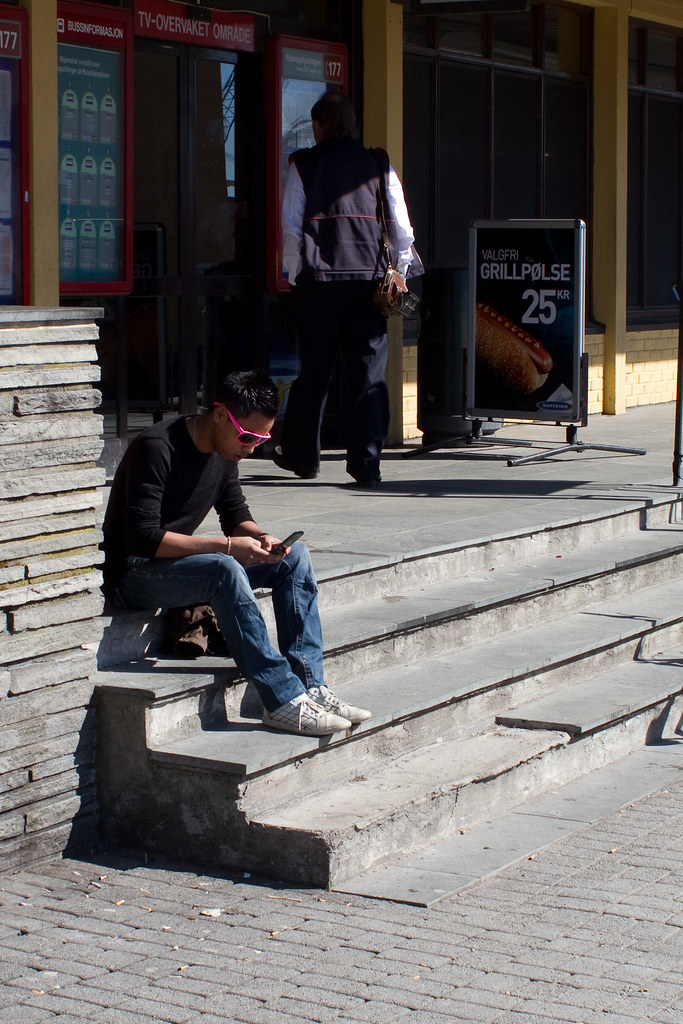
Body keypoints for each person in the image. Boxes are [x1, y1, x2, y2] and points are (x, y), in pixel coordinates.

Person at [101, 370, 371, 737]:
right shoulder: (157, 447)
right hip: (133, 574)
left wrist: (262, 538)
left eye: (262, 438)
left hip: (177, 567)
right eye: (247, 436)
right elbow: (142, 538)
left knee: (295, 558)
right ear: (219, 414)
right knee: (223, 568)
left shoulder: (224, 452)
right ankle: (281, 699)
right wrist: (227, 546)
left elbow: (235, 515)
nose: (252, 447)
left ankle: (311, 686)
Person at [274, 90, 420, 488]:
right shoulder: (378, 162)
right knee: (368, 374)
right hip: (369, 284)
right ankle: (366, 465)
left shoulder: (304, 164)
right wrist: (399, 272)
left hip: (320, 283)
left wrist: (295, 277)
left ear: (319, 125)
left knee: (315, 371)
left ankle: (303, 457)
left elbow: (292, 228)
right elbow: (400, 224)